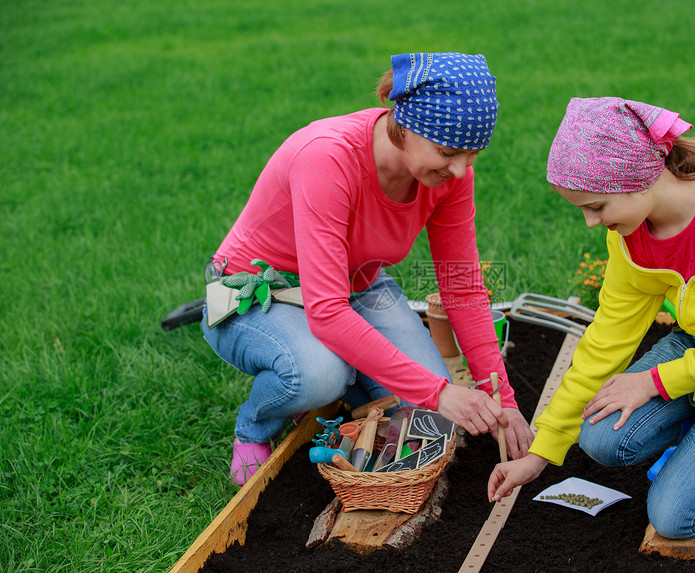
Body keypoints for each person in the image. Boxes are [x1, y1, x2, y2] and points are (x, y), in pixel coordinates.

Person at [487, 97, 695, 539]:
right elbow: (605, 342)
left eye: (596, 207)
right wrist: (540, 453)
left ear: (637, 179)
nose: (591, 223)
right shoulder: (631, 239)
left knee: (674, 519)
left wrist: (651, 381)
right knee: (599, 437)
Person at [202, 52, 533, 486]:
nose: (459, 170)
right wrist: (440, 392)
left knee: (431, 419)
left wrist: (501, 397)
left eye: (472, 155)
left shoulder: (451, 178)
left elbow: (463, 287)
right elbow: (327, 311)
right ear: (405, 126)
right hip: (257, 292)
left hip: (356, 286)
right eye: (448, 152)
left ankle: (347, 380)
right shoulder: (327, 159)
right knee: (320, 374)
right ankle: (255, 427)